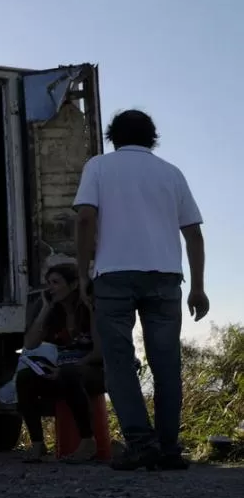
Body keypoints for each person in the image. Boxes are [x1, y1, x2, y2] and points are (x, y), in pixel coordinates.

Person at [73, 109, 209, 471]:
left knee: (118, 363)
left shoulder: (98, 167)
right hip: (165, 276)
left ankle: (139, 443)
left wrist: (83, 273)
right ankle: (168, 448)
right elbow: (193, 232)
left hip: (114, 275)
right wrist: (198, 287)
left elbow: (85, 217)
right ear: (152, 136)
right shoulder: (171, 173)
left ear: (112, 136)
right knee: (166, 365)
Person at [17, 263, 104, 464]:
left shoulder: (90, 307)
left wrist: (67, 369)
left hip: (95, 370)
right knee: (25, 377)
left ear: (73, 285)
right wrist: (45, 308)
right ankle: (38, 444)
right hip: (64, 371)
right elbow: (30, 344)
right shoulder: (55, 312)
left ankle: (87, 441)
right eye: (48, 283)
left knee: (69, 373)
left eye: (56, 283)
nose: (51, 288)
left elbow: (99, 352)